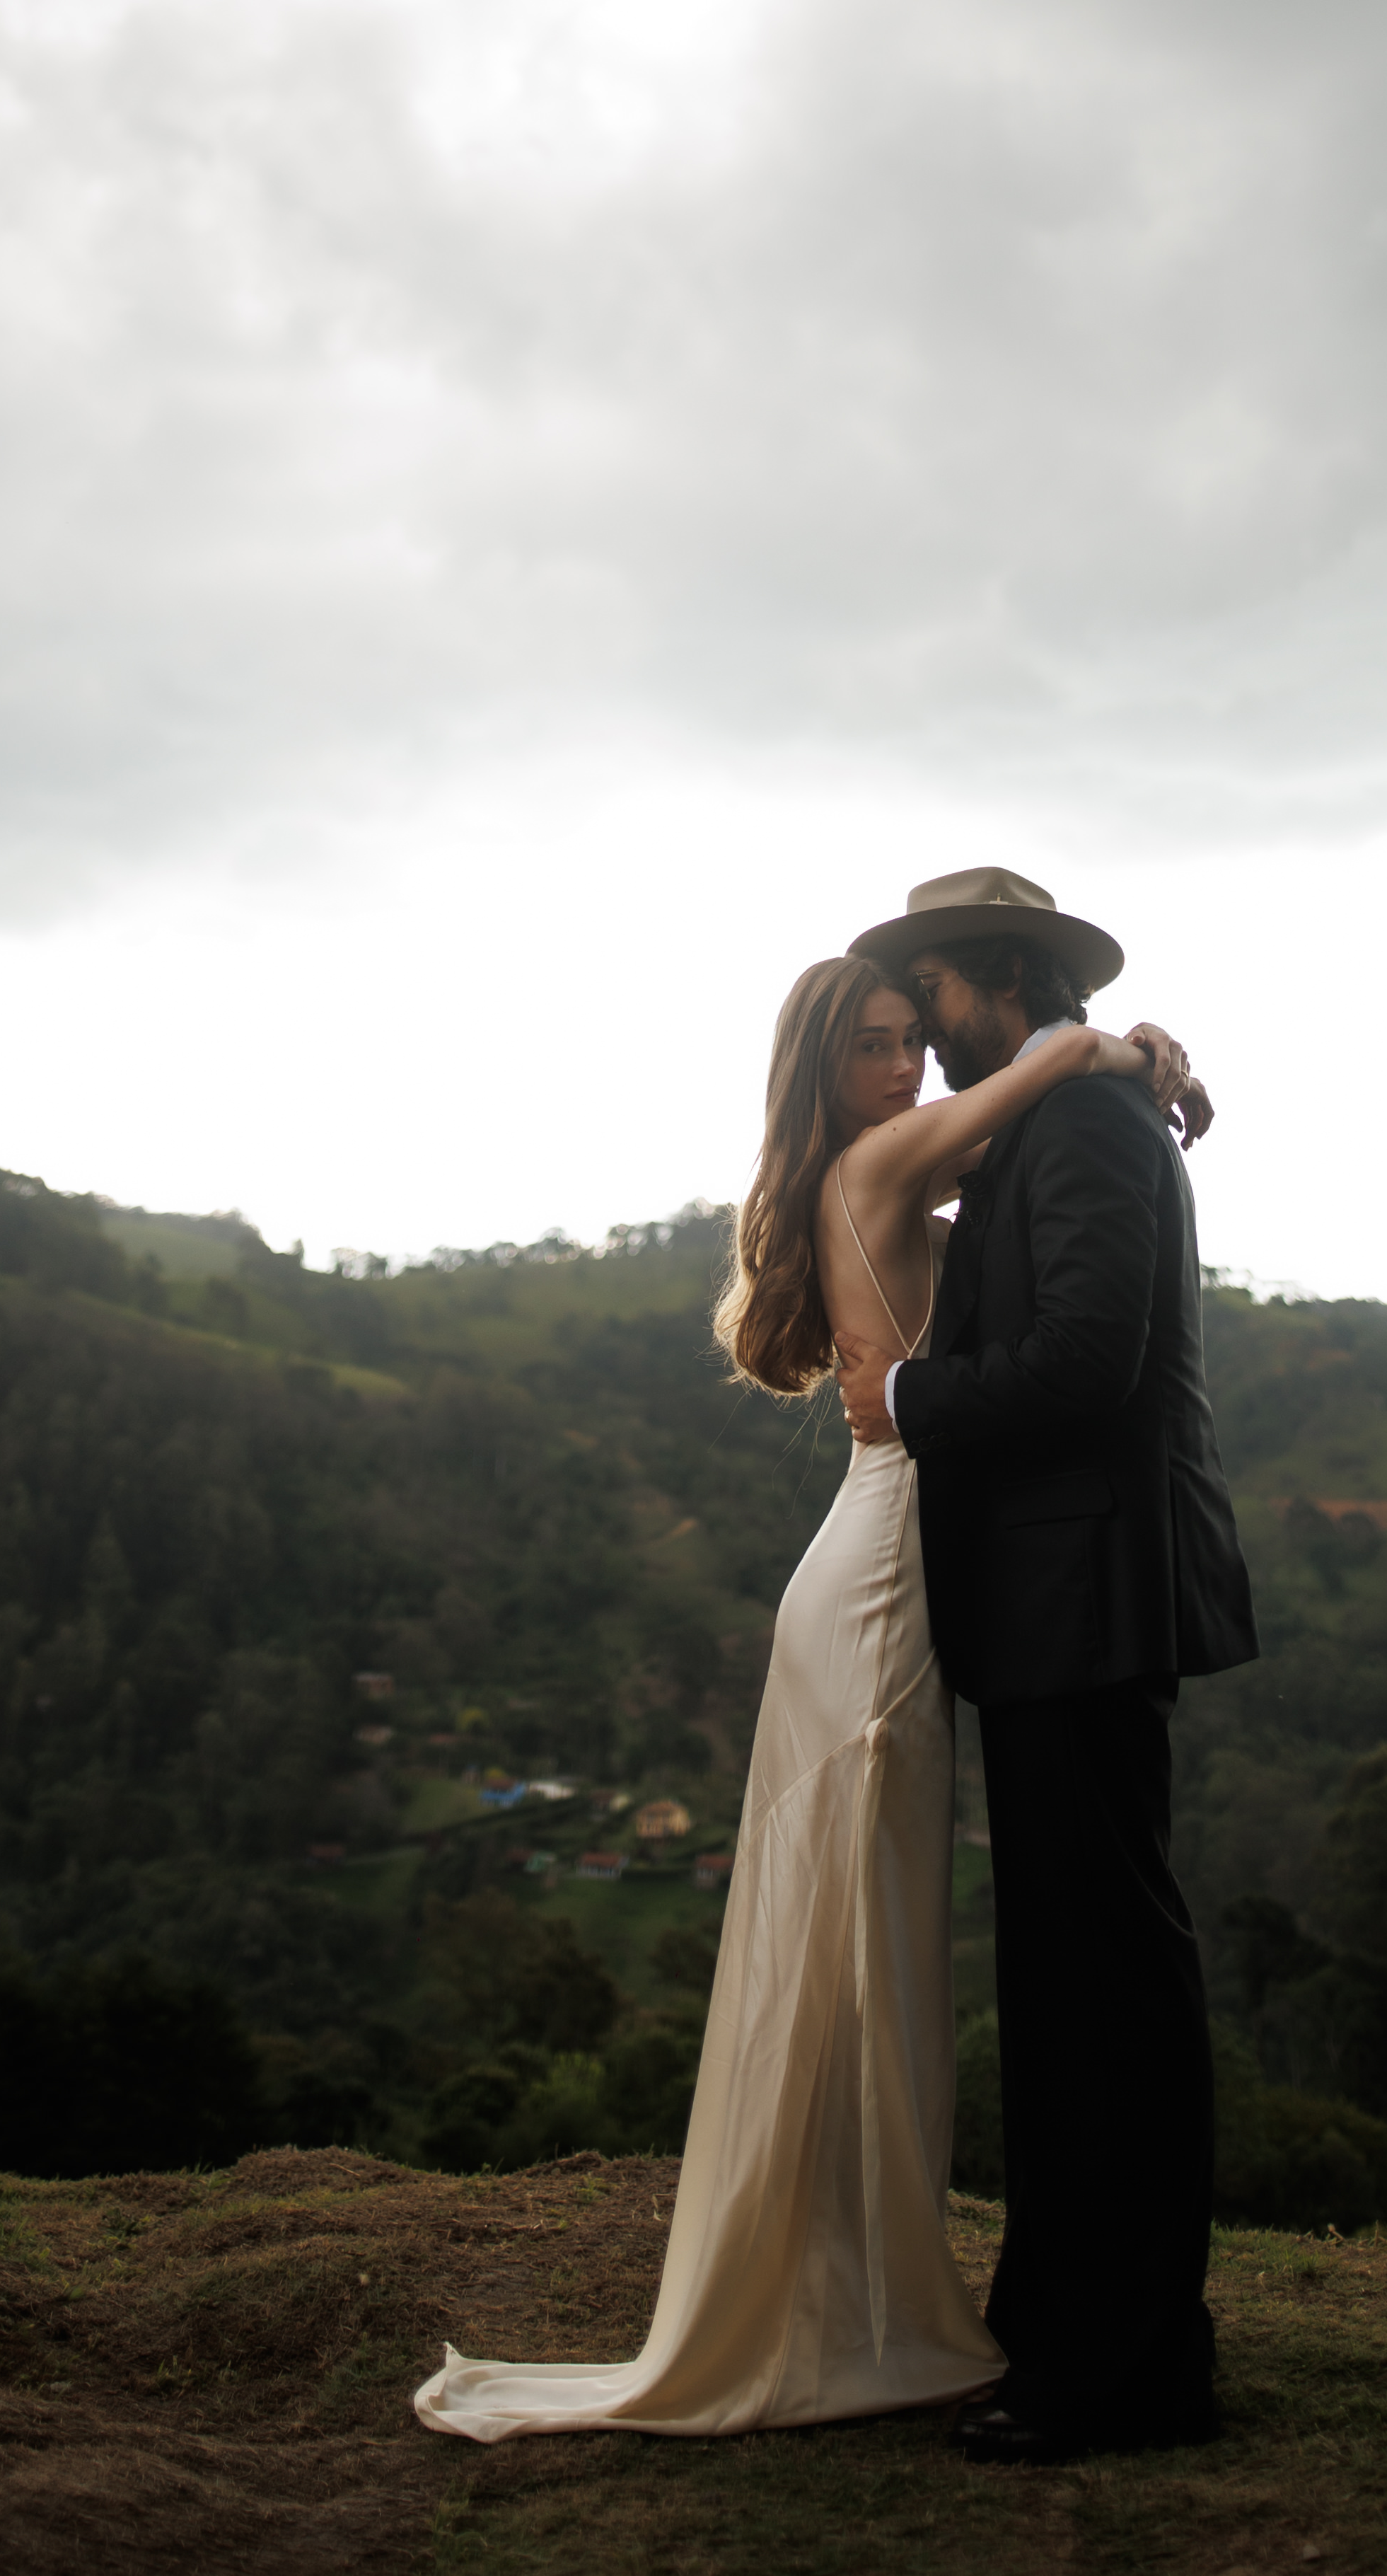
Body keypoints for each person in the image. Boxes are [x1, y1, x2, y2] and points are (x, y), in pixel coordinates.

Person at [412, 940, 1200, 2444]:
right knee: (847, 1935)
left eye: (912, 1038)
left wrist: (1131, 1057)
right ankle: (826, 2297)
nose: (904, 1067)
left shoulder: (881, 1168)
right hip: (885, 1567)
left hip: (888, 1552)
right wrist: (1125, 1046)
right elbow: (1038, 1069)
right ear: (823, 1065)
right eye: (876, 1044)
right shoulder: (886, 1162)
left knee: (863, 1934)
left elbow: (1028, 1212)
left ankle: (858, 2278)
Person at [835, 865, 1259, 2464]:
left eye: (929, 994)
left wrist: (911, 1405)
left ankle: (1127, 2370)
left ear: (990, 975)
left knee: (1108, 1991)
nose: (927, 1029)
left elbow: (1087, 1359)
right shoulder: (1059, 1108)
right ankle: (1071, 2330)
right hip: (1050, 1605)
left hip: (1091, 1598)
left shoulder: (1079, 1128)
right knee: (1072, 1986)